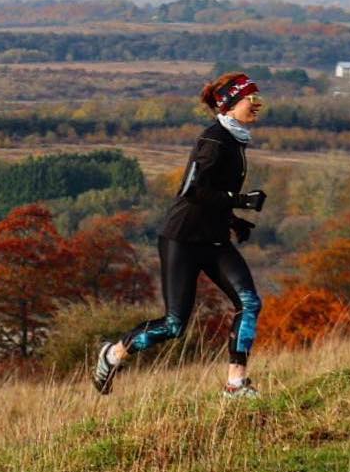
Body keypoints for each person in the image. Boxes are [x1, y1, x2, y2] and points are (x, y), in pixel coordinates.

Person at [93, 72, 268, 398]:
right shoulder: (214, 141)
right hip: (182, 241)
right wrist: (240, 201)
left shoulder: (234, 139)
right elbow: (193, 191)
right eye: (251, 99)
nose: (257, 105)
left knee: (249, 302)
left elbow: (214, 193)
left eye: (258, 99)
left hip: (214, 240)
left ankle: (235, 385)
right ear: (229, 105)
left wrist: (233, 220)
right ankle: (113, 354)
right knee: (174, 326)